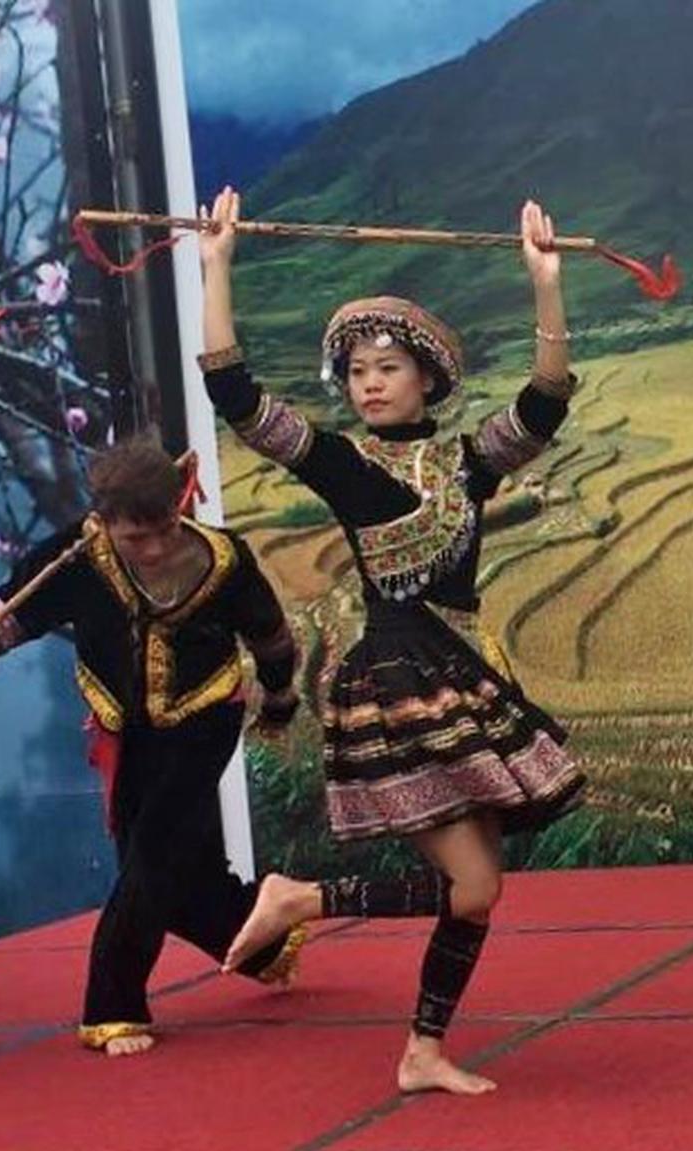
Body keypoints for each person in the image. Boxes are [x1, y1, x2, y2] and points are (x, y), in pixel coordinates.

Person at [195, 186, 585, 1094]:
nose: (369, 383)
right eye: (357, 371)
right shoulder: (341, 464)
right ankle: (303, 903)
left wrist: (545, 282)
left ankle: (421, 1049)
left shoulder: (467, 464)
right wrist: (217, 265)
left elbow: (546, 400)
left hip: (463, 673)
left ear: (428, 380)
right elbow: (235, 394)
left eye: (387, 367)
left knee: (478, 893)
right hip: (401, 683)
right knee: (475, 888)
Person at [0, 436, 304, 1056]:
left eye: (167, 529)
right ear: (104, 522)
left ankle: (113, 1008)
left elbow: (272, 639)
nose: (157, 548)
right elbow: (9, 613)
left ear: (180, 506)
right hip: (125, 729)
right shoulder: (76, 556)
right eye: (137, 538)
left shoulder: (225, 559)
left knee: (151, 859)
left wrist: (279, 701)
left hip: (204, 719)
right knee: (166, 872)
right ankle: (262, 939)